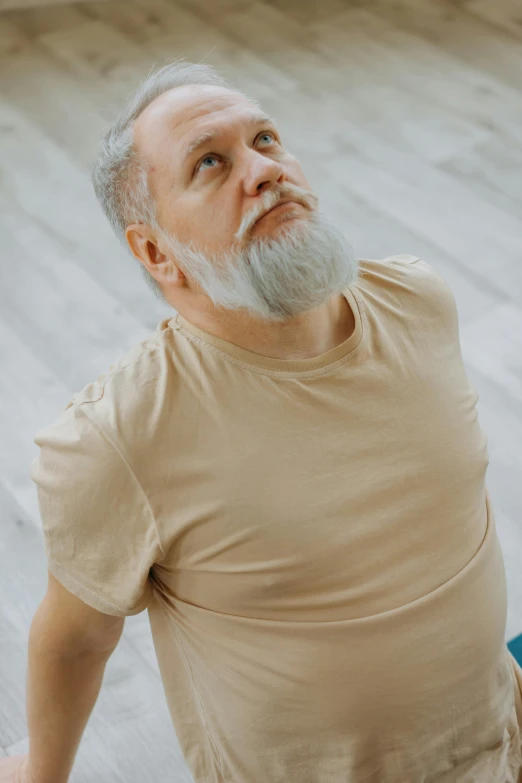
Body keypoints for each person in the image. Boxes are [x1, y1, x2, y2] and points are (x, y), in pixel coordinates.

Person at [2, 59, 521, 783]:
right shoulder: (117, 439)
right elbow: (73, 641)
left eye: (267, 139)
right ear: (156, 252)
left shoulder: (416, 298)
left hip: (506, 731)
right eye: (210, 163)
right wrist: (41, 773)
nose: (263, 169)